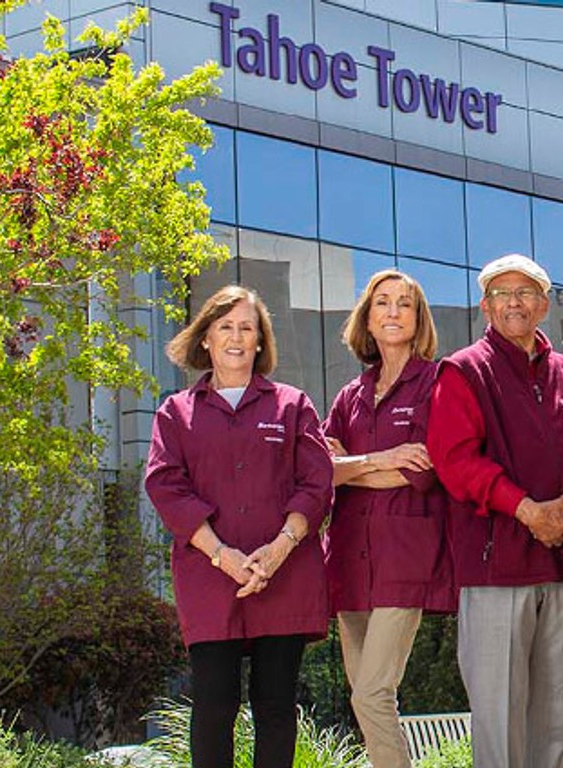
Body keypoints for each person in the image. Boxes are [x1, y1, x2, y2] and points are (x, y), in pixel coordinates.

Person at [144, 285, 332, 768]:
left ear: (260, 340)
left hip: (284, 575)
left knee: (275, 705)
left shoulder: (292, 405)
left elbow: (317, 484)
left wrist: (280, 548)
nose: (235, 336)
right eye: (225, 326)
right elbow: (166, 487)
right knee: (214, 704)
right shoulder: (176, 412)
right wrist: (221, 554)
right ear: (205, 338)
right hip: (208, 577)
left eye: (246, 327)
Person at [428, 254, 563, 768]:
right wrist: (527, 511)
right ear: (485, 306)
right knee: (499, 722)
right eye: (501, 294)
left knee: (557, 722)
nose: (514, 303)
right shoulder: (463, 371)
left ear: (544, 305)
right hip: (495, 569)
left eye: (525, 292)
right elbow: (454, 461)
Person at [322, 269, 456, 768]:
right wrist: (381, 460)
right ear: (368, 317)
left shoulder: (438, 383)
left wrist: (352, 466)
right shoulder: (349, 396)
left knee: (371, 694)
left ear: (419, 319)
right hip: (349, 560)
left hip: (406, 559)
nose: (393, 311)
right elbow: (320, 471)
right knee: (367, 695)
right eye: (382, 302)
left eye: (405, 303)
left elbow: (421, 472)